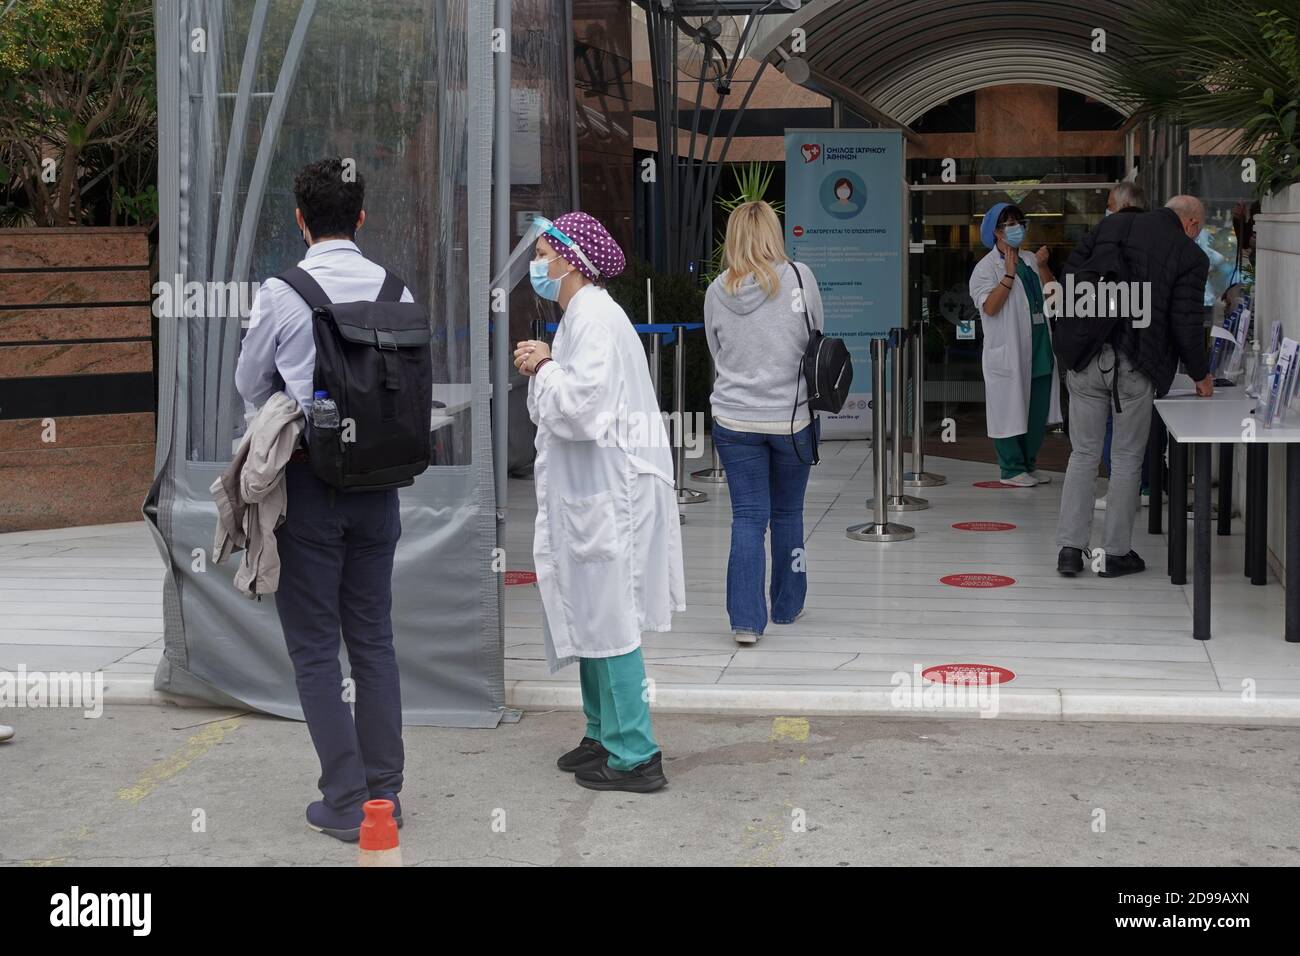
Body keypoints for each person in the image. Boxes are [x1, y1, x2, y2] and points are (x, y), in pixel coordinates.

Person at [235, 158, 412, 840]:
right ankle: (385, 796)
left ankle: (344, 799)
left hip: (309, 485)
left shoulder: (284, 291)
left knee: (314, 650)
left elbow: (250, 386)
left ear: (300, 218)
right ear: (361, 218)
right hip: (380, 488)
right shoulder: (395, 288)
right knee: (374, 642)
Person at [512, 211, 684, 794]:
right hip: (593, 491)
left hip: (615, 495)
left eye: (543, 253)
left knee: (611, 620)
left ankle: (636, 754)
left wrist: (544, 365)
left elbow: (583, 411)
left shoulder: (594, 320)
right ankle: (601, 735)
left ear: (568, 259)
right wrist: (550, 363)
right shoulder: (579, 318)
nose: (537, 263)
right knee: (589, 611)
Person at [1053, 195, 1214, 578]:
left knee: (1083, 454)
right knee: (1126, 458)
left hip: (1086, 354)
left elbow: (1068, 281)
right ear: (1190, 224)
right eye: (1199, 230)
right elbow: (1185, 323)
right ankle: (1113, 554)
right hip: (1135, 362)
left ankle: (1070, 551)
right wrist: (1201, 375)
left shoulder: (1109, 227)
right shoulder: (1189, 255)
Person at [703, 200, 821, 643]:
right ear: (774, 232)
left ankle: (746, 622)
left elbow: (717, 352)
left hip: (734, 418)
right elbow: (816, 336)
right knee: (788, 512)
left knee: (748, 518)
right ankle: (788, 605)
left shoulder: (716, 290)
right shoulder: (798, 277)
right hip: (791, 420)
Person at [969, 202, 1062, 486]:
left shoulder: (1031, 259)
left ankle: (1028, 464)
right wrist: (1008, 274)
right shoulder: (985, 269)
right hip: (1008, 353)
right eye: (1008, 224)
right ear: (996, 232)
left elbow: (1053, 298)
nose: (1016, 228)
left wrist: (1044, 267)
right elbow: (990, 307)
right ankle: (1010, 469)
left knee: (1036, 411)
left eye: (1019, 222)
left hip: (1039, 348)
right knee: (1009, 410)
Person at [1097, 181, 1149, 511]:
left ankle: (1128, 490)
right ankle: (1138, 488)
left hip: (1122, 351)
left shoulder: (1116, 244)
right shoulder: (1151, 242)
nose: (1107, 211)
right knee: (1128, 430)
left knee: (1115, 431)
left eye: (1109, 205)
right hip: (1133, 350)